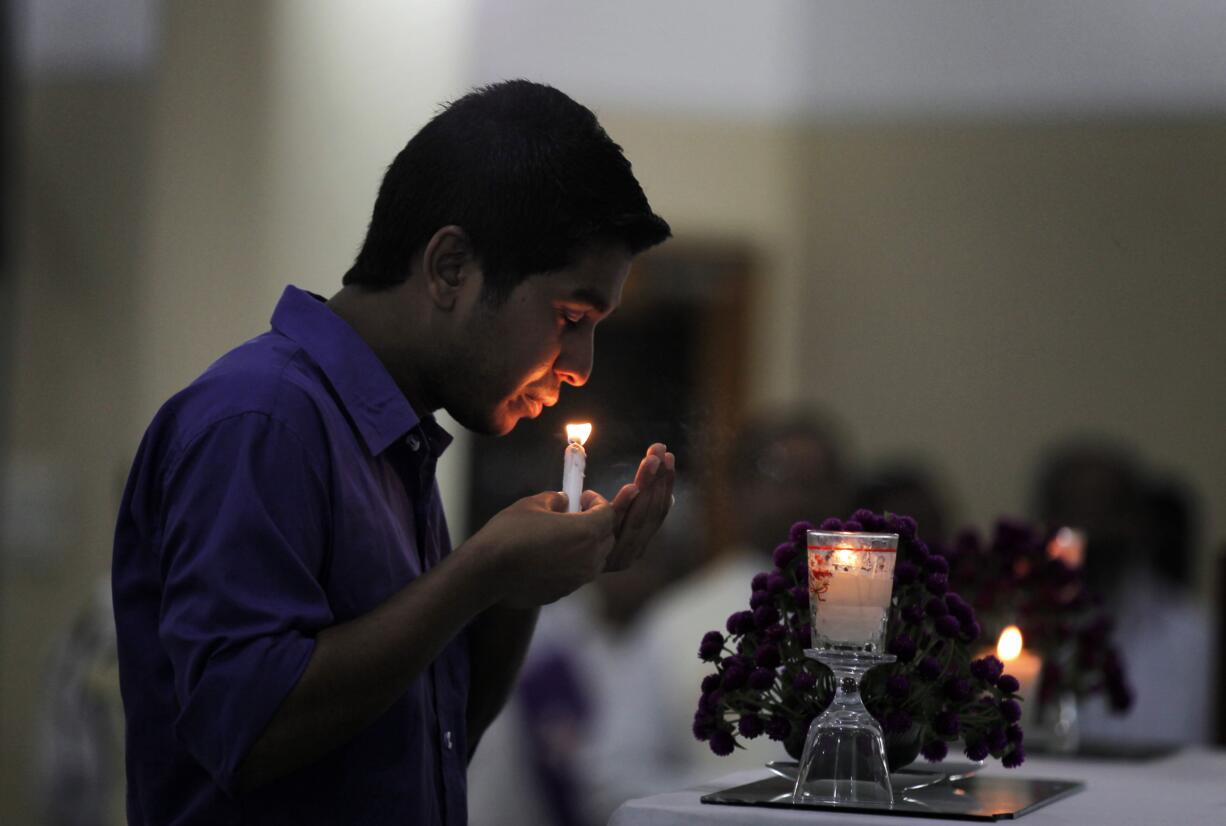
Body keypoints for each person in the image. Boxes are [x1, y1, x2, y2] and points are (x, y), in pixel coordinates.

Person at [111, 80, 676, 826]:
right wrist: (481, 572)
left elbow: (435, 743)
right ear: (449, 269)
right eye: (571, 315)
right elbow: (245, 730)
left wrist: (520, 586)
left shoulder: (389, 441)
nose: (581, 365)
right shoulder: (263, 420)